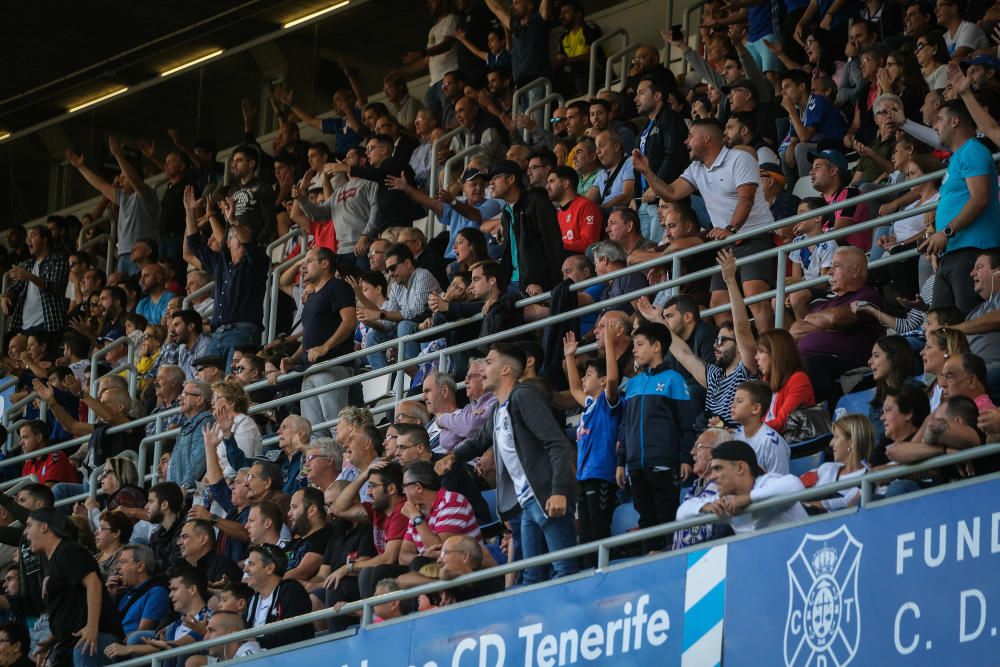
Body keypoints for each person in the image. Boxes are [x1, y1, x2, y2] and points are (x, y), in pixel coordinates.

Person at [440, 342, 577, 583]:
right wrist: (454, 456)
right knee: (532, 577)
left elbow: (557, 443)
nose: (483, 368)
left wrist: (559, 491)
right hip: (526, 504)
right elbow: (479, 441)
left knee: (564, 569)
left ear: (505, 370)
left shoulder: (524, 396)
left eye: (489, 362)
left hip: (546, 497)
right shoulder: (498, 410)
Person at [634, 118, 776, 331]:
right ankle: (734, 348)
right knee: (718, 303)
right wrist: (647, 171)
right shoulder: (695, 169)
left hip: (754, 236)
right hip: (726, 244)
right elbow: (671, 192)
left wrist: (731, 229)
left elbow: (746, 199)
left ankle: (771, 349)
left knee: (754, 293)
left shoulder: (740, 158)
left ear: (707, 138)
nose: (685, 141)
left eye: (691, 136)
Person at [617, 322, 695, 552]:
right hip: (635, 465)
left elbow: (686, 425)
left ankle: (669, 559)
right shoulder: (632, 384)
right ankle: (651, 559)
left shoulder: (674, 379)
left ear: (657, 346)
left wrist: (685, 458)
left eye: (639, 344)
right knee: (645, 517)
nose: (634, 350)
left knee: (666, 515)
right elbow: (625, 425)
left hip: (663, 461)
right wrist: (621, 462)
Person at [663, 250, 760, 427]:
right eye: (716, 340)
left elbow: (742, 329)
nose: (716, 345)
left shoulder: (746, 371)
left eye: (722, 341)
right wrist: (658, 321)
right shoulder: (714, 376)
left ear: (739, 346)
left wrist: (730, 281)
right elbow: (683, 353)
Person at [920, 100, 1000, 314]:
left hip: (973, 252)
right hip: (953, 252)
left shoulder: (973, 150)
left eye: (939, 120)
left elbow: (980, 198)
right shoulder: (957, 158)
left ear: (955, 121)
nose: (935, 126)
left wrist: (946, 233)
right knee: (943, 328)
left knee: (969, 322)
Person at [26, 507, 123, 666]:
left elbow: (93, 584)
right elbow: (70, 606)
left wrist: (92, 627)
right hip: (71, 642)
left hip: (91, 639)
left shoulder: (68, 550)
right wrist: (53, 639)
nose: (26, 533)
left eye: (29, 525)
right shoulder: (56, 558)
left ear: (44, 527)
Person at [279, 247, 356, 438]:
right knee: (314, 433)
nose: (303, 267)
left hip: (331, 366)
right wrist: (294, 359)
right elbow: (310, 338)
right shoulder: (311, 297)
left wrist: (325, 347)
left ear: (324, 263)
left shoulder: (338, 286)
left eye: (309, 261)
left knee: (337, 428)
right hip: (310, 369)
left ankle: (347, 467)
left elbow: (349, 321)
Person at [793, 246, 884, 403]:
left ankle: (825, 419)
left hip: (845, 366)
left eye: (836, 266)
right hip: (810, 363)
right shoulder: (825, 304)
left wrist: (816, 320)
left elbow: (835, 318)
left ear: (855, 271)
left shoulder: (868, 295)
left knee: (809, 366)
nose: (829, 272)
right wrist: (825, 322)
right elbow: (795, 330)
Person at [563, 320, 621, 554]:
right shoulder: (588, 404)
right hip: (584, 475)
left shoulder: (608, 403)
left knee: (598, 532)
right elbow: (576, 389)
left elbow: (614, 380)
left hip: (601, 474)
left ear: (603, 380)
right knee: (585, 535)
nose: (584, 379)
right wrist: (569, 357)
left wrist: (607, 342)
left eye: (588, 374)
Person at [66, 138, 159, 274]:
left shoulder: (146, 194)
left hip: (144, 255)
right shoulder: (123, 198)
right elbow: (102, 186)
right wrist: (81, 168)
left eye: (123, 177)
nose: (120, 180)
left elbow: (134, 179)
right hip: (123, 255)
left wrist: (118, 155)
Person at [358, 243, 440, 370]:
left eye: (393, 268)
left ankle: (415, 375)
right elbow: (389, 324)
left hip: (428, 324)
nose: (390, 273)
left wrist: (380, 314)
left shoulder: (423, 275)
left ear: (407, 263)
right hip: (410, 330)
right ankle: (385, 381)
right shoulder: (396, 286)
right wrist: (371, 322)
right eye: (388, 270)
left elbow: (416, 311)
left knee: (404, 325)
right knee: (372, 337)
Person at [696, 440, 808, 532]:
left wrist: (749, 498)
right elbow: (682, 512)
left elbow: (795, 485)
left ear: (740, 468)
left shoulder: (766, 483)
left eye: (718, 469)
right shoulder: (724, 500)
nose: (712, 477)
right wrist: (703, 506)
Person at [488, 160, 565, 294]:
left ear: (511, 179)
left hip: (534, 285)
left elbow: (553, 247)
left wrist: (548, 285)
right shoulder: (506, 212)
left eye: (496, 177)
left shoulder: (537, 203)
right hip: (512, 282)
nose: (491, 183)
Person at [634, 75, 691, 242]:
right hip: (645, 201)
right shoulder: (644, 129)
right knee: (646, 252)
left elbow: (674, 153)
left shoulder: (670, 117)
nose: (636, 99)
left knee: (660, 250)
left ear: (657, 96)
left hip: (664, 198)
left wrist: (657, 185)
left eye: (641, 93)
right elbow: (639, 167)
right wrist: (635, 196)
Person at [2, 226, 69, 342]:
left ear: (44, 239)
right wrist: (5, 296)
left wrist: (29, 276)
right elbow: (14, 287)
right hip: (24, 325)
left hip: (48, 324)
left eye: (33, 235)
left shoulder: (58, 259)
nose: (28, 240)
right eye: (28, 237)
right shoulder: (28, 264)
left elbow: (55, 286)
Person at [242, 544, 314, 649]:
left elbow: (291, 635)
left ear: (270, 568)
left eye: (251, 564)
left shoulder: (291, 591)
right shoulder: (253, 600)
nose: (245, 569)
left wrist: (255, 642)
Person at [674, 428, 735, 549]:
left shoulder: (729, 488)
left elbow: (722, 536)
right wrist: (665, 552)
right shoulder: (697, 487)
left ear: (716, 452)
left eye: (699, 446)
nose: (692, 452)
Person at [801, 414, 873, 512]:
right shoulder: (827, 468)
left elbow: (846, 503)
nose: (831, 443)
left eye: (836, 437)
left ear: (852, 442)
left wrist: (803, 506)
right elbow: (796, 486)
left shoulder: (868, 475)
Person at [757, 328, 815, 432]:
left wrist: (749, 430)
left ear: (776, 354)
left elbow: (782, 423)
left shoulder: (798, 379)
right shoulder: (767, 380)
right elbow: (759, 419)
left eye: (761, 352)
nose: (756, 357)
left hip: (789, 443)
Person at [111, 545, 170, 641]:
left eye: (123, 562)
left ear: (140, 566)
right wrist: (111, 597)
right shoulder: (122, 595)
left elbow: (141, 634)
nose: (117, 567)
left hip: (126, 647)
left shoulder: (156, 592)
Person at [731, 380, 791, 474]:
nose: (733, 405)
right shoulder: (735, 435)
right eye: (733, 400)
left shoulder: (771, 442)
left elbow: (780, 483)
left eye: (739, 401)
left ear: (756, 409)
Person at [545, 166, 604, 254]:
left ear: (566, 183)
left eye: (552, 181)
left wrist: (559, 246)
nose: (547, 187)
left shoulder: (586, 206)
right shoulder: (558, 214)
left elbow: (589, 244)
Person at [145, 482, 185, 574]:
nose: (146, 507)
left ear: (164, 505)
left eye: (150, 501)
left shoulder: (185, 532)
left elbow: (175, 569)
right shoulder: (155, 537)